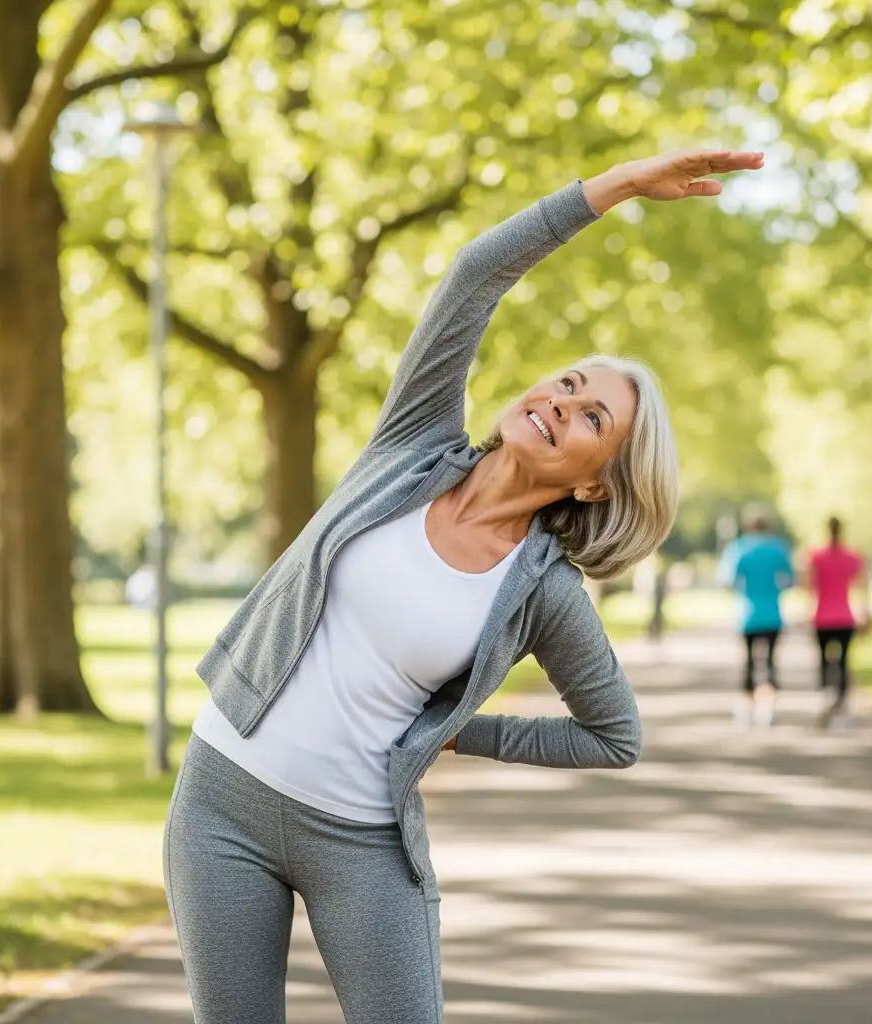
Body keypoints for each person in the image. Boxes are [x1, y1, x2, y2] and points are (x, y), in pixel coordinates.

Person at [164, 147, 765, 1023]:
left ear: (598, 481)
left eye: (593, 415)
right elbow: (477, 274)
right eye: (568, 382)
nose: (562, 401)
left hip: (359, 840)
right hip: (223, 797)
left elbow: (614, 737)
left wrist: (454, 734)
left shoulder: (541, 593)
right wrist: (622, 185)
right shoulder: (413, 443)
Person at [719, 509, 794, 726]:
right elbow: (790, 580)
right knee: (770, 661)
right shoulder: (778, 548)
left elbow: (729, 581)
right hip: (772, 614)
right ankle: (768, 709)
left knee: (749, 662)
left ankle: (747, 708)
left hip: (748, 615)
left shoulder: (739, 548)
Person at [806, 516, 869, 728]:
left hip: (822, 617)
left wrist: (807, 612)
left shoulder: (816, 556)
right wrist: (865, 613)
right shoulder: (852, 557)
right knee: (843, 663)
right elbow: (862, 587)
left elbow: (809, 587)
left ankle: (826, 697)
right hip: (844, 617)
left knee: (824, 661)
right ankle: (841, 707)